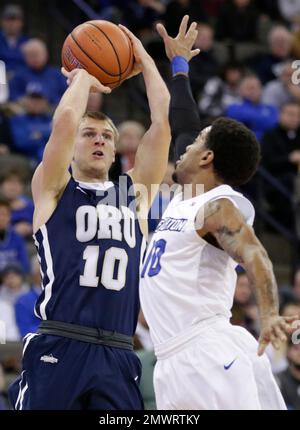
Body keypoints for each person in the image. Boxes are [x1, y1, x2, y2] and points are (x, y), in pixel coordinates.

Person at [8, 24, 171, 410]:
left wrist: (145, 59)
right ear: (72, 148)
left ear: (116, 152)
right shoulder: (53, 188)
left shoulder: (135, 194)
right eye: (90, 134)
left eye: (107, 136)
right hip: (60, 342)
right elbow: (65, 120)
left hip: (117, 350)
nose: (99, 139)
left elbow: (162, 124)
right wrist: (84, 76)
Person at [139, 17, 298, 410]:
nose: (186, 146)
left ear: (207, 157)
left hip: (207, 353)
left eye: (196, 144)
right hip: (174, 359)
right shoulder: (188, 194)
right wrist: (179, 67)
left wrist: (270, 314)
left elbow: (255, 253)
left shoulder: (217, 205)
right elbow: (183, 121)